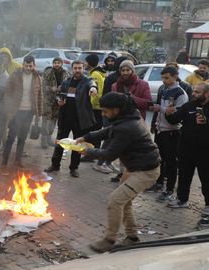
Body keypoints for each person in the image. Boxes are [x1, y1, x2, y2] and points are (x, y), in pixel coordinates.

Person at [76, 92, 160, 253]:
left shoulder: (127, 127)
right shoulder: (127, 117)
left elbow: (109, 154)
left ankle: (109, 239)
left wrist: (87, 151)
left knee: (115, 201)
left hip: (146, 171)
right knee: (124, 201)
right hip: (134, 167)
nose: (103, 114)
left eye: (105, 111)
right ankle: (132, 237)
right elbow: (107, 131)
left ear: (116, 109)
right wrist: (86, 137)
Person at [45, 60, 97, 178]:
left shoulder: (87, 81)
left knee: (77, 144)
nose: (77, 70)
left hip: (80, 119)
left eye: (80, 68)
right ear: (72, 69)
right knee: (59, 142)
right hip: (65, 117)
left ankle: (74, 168)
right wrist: (59, 101)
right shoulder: (66, 82)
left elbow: (92, 85)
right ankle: (55, 165)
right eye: (75, 68)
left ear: (83, 69)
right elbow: (59, 95)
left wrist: (93, 89)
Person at [165, 82, 209, 212]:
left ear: (206, 94)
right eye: (193, 91)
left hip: (205, 151)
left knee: (206, 178)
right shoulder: (189, 105)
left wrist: (206, 122)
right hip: (186, 149)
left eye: (197, 92)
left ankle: (208, 205)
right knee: (184, 176)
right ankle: (182, 200)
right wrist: (169, 113)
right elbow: (174, 120)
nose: (193, 94)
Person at [149, 66, 188, 199]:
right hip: (161, 130)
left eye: (167, 78)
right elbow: (164, 110)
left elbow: (179, 113)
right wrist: (157, 117)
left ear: (175, 76)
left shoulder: (180, 93)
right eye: (162, 78)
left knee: (171, 162)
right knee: (161, 159)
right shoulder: (165, 90)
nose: (164, 80)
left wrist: (162, 109)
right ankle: (159, 183)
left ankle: (169, 190)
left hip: (172, 132)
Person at [0, 55, 42, 176]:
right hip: (16, 112)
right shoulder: (15, 75)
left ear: (34, 65)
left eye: (30, 66)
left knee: (22, 138)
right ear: (22, 64)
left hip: (29, 113)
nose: (28, 68)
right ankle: (4, 164)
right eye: (26, 65)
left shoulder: (37, 77)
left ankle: (18, 160)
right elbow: (7, 92)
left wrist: (38, 114)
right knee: (11, 138)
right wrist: (9, 107)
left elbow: (39, 96)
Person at [41, 57, 68, 149]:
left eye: (58, 63)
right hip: (48, 98)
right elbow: (42, 85)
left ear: (61, 64)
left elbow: (68, 84)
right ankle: (43, 140)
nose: (57, 64)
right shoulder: (48, 72)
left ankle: (49, 138)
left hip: (58, 99)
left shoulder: (65, 73)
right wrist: (51, 88)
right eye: (55, 63)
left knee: (54, 119)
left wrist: (63, 89)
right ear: (53, 64)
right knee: (46, 118)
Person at [84, 54, 105, 163]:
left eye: (86, 62)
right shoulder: (97, 73)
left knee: (94, 132)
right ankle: (93, 155)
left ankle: (91, 155)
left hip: (95, 109)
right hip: (97, 108)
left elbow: (96, 93)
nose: (84, 63)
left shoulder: (95, 75)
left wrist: (89, 106)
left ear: (90, 63)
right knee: (96, 132)